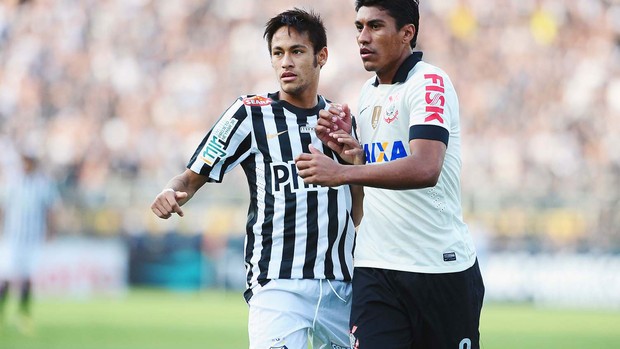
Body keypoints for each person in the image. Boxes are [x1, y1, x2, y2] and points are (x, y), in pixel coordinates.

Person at [150, 8, 360, 349]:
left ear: (321, 56)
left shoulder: (341, 121)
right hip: (278, 285)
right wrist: (169, 191)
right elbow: (189, 180)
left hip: (343, 285)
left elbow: (360, 208)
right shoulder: (250, 113)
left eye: (296, 51)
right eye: (278, 53)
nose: (285, 62)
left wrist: (355, 165)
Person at [295, 1, 485, 348]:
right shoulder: (368, 93)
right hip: (376, 269)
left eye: (375, 26)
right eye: (358, 27)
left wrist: (341, 173)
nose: (362, 38)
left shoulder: (429, 82)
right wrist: (353, 156)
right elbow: (371, 180)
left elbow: (426, 167)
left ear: (406, 33)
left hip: (438, 269)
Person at [0, 151, 60, 334]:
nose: (27, 165)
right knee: (7, 277)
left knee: (26, 277)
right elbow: (2, 208)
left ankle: (23, 314)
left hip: (31, 239)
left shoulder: (42, 184)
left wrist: (51, 231)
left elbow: (52, 208)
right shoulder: (13, 182)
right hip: (12, 238)